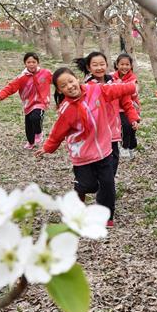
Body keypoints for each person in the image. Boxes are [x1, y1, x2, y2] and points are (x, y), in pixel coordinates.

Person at [35, 67, 137, 227]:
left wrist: (132, 86)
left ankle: (107, 215)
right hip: (82, 154)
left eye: (70, 81)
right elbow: (57, 132)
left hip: (104, 150)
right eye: (63, 86)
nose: (69, 86)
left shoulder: (96, 90)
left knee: (107, 183)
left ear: (77, 79)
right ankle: (79, 192)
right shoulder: (66, 109)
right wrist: (48, 147)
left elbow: (116, 89)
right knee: (89, 185)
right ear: (60, 90)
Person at [75, 51, 140, 177]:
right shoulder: (88, 86)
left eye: (102, 64)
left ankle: (106, 189)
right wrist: (129, 87)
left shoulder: (115, 82)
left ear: (107, 65)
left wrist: (133, 119)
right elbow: (105, 92)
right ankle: (100, 186)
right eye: (95, 65)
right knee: (99, 165)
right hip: (96, 133)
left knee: (112, 166)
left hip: (113, 132)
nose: (99, 68)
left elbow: (127, 103)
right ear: (89, 67)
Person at [0, 52, 52, 149]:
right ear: (25, 64)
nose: (31, 64)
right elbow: (11, 87)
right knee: (29, 126)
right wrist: (0, 96)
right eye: (28, 62)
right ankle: (31, 142)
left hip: (41, 102)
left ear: (38, 62)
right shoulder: (21, 77)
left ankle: (39, 133)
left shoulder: (45, 73)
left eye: (33, 62)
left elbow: (58, 79)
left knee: (36, 117)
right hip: (28, 103)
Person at [112, 53, 142, 159]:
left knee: (133, 128)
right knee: (125, 126)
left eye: (127, 64)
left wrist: (132, 90)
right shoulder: (112, 77)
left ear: (131, 66)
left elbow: (135, 91)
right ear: (117, 65)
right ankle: (124, 146)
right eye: (122, 64)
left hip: (132, 107)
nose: (124, 67)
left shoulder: (132, 78)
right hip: (119, 109)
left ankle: (132, 146)